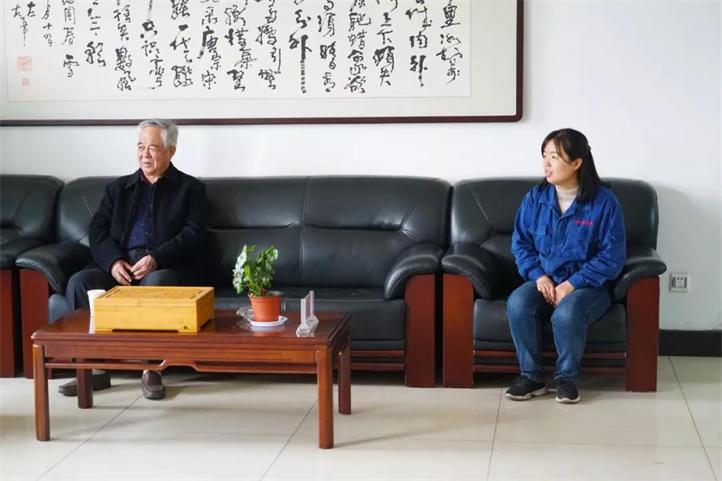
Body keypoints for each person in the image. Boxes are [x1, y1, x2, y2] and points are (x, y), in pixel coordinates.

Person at [58, 119, 208, 400]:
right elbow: (97, 229)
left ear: (171, 151)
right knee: (80, 282)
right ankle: (92, 370)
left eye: (153, 148)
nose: (144, 154)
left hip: (162, 265)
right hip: (120, 264)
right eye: (140, 147)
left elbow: (193, 234)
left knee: (158, 284)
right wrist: (113, 261)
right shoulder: (118, 189)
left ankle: (152, 369)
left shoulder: (191, 189)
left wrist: (156, 258)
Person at [505, 128, 626, 404]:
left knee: (567, 313)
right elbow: (520, 244)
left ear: (576, 162)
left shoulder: (604, 202)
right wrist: (539, 276)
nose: (546, 163)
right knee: (518, 303)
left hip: (589, 286)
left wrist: (572, 284)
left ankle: (567, 379)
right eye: (544, 156)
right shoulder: (535, 198)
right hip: (545, 279)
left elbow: (611, 256)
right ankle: (531, 377)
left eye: (555, 157)